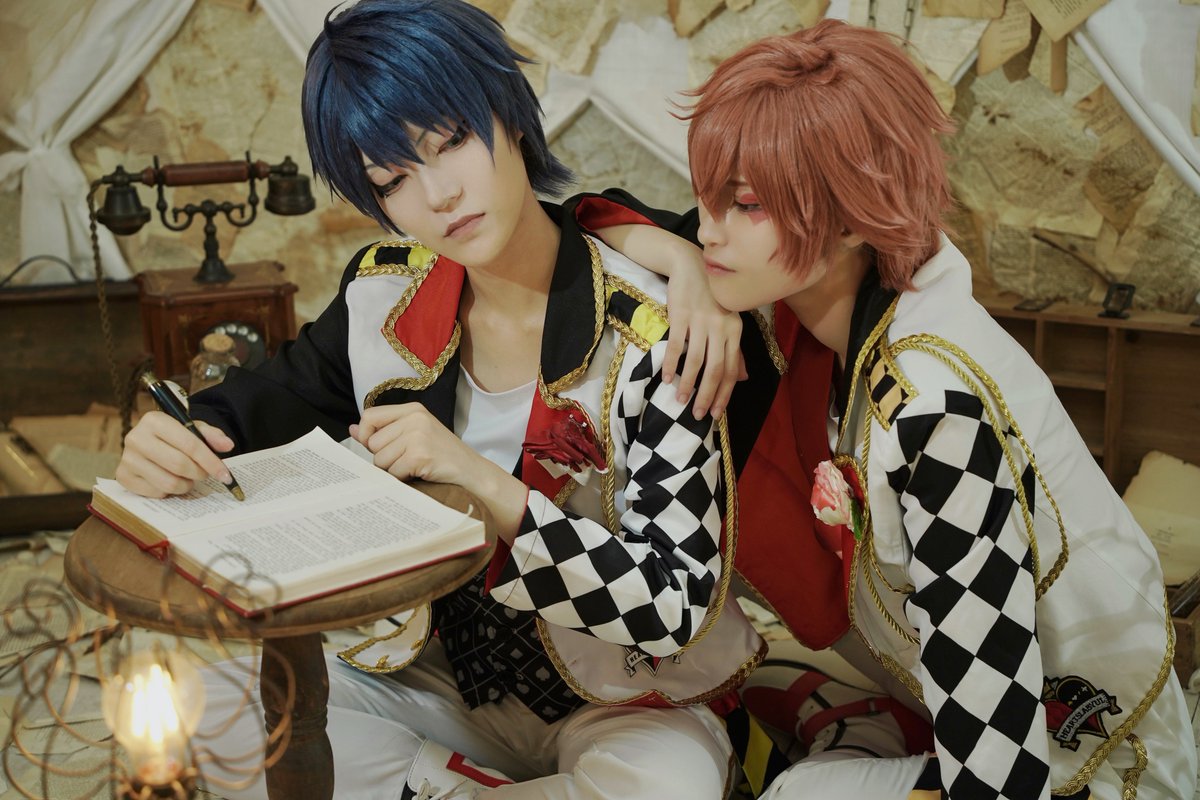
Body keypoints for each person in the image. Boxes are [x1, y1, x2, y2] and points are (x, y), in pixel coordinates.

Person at [113, 1, 764, 798]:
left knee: (663, 788)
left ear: (510, 114)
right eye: (392, 180)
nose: (439, 195)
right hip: (442, 684)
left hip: (632, 699)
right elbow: (264, 400)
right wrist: (173, 431)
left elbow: (673, 606)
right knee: (203, 710)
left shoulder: (658, 332)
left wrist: (480, 479)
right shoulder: (385, 296)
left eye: (451, 140)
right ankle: (455, 784)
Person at [579, 19, 1197, 800]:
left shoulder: (934, 412)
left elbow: (997, 754)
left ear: (848, 217)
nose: (708, 231)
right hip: (960, 705)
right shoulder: (863, 304)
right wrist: (682, 265)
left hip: (1094, 769)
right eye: (705, 197)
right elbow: (584, 218)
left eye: (745, 204)